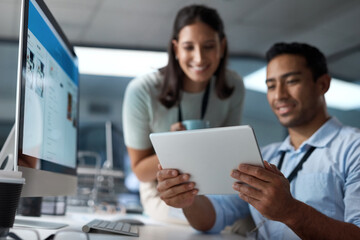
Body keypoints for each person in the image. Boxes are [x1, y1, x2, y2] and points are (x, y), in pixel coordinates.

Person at [156, 42, 360, 239]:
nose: (279, 95)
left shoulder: (353, 149)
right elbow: (212, 219)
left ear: (322, 84)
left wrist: (291, 211)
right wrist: (188, 199)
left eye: (291, 81)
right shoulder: (263, 156)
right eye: (271, 86)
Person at [122, 5, 245, 223]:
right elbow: (140, 172)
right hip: (162, 189)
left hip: (212, 184)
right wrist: (175, 148)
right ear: (176, 49)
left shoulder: (233, 86)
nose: (199, 58)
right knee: (193, 223)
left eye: (208, 46)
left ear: (222, 46)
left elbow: (228, 155)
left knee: (242, 220)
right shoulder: (142, 90)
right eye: (189, 47)